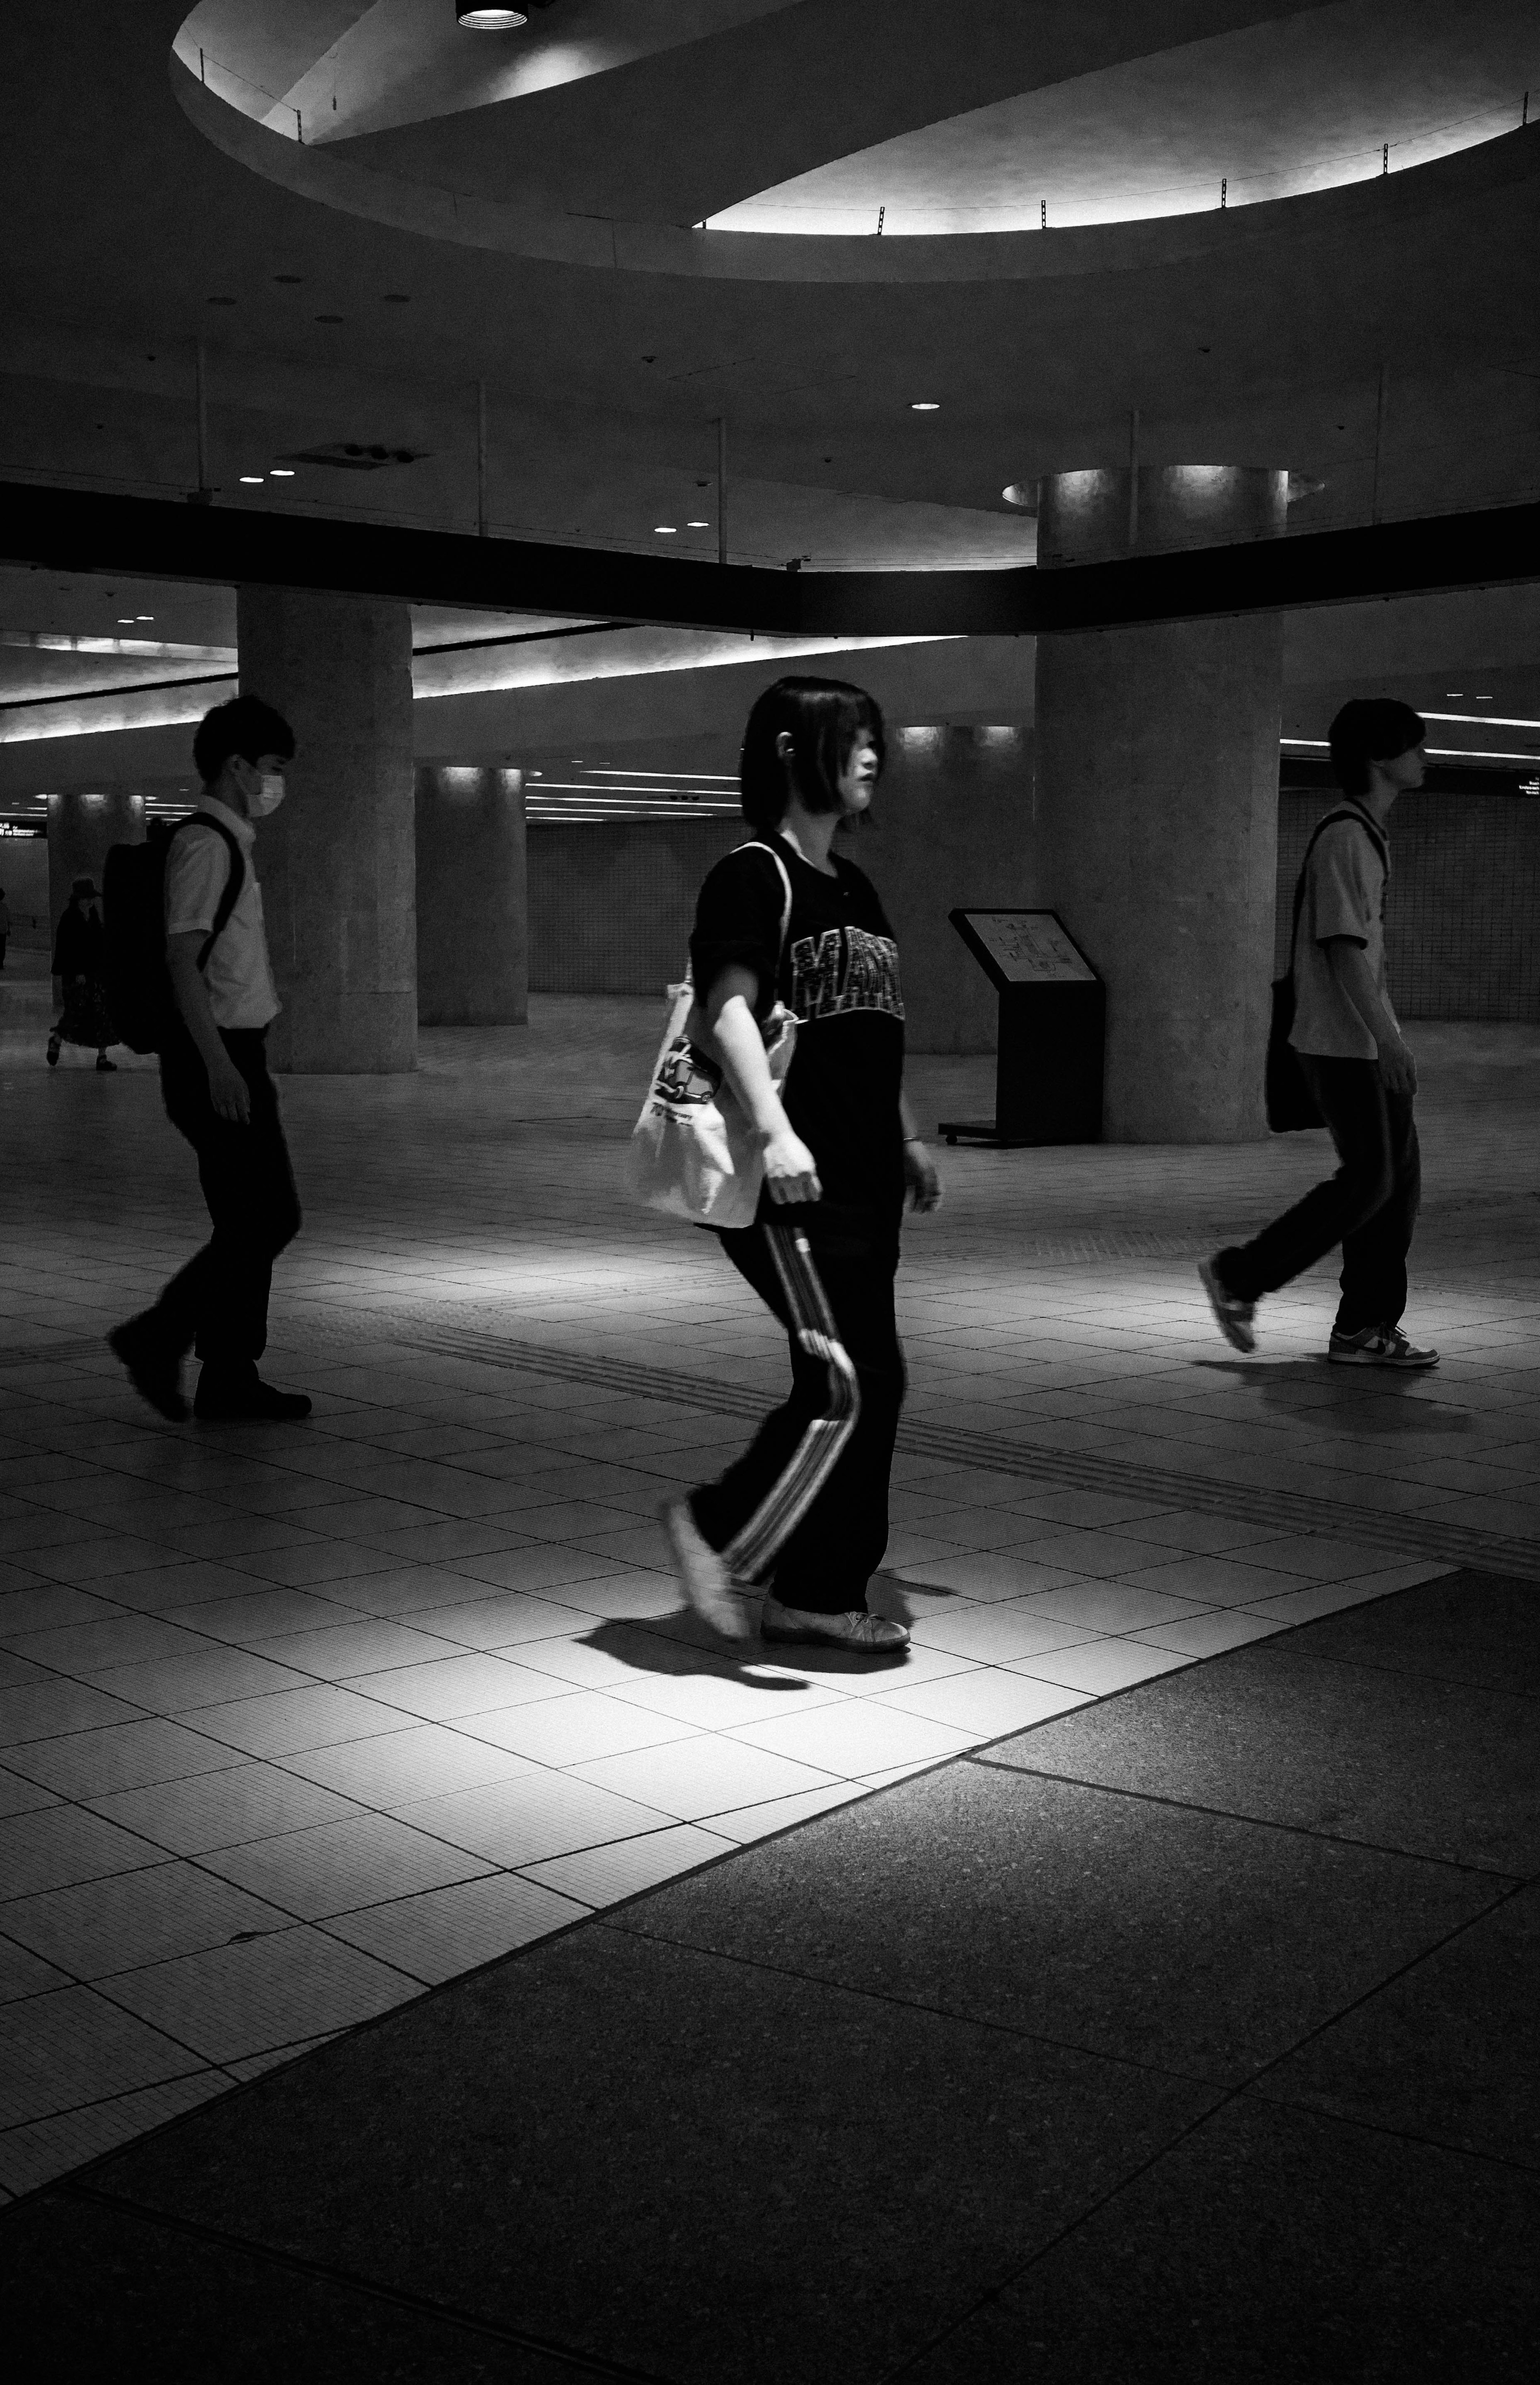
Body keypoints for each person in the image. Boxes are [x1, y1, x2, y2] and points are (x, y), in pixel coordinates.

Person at [660, 675, 942, 1657]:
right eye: (850, 737)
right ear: (789, 750)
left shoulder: (855, 889)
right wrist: (777, 1131)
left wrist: (903, 1132)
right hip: (792, 1188)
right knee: (850, 1382)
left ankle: (816, 1584)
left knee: (863, 1381)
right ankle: (720, 1527)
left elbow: (864, 1032)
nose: (871, 753)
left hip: (863, 1181)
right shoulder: (751, 875)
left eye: (875, 736)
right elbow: (726, 1010)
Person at [1200, 698, 1437, 1369]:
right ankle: (1239, 1276)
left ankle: (1363, 1327)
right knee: (1369, 1181)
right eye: (1415, 746)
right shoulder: (1345, 837)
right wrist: (1388, 1041)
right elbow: (1342, 950)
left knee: (1393, 1187)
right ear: (1380, 758)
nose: (1426, 757)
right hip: (1342, 1045)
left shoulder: (1366, 832)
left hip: (1358, 1040)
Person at [108, 695, 311, 1423]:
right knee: (269, 1217)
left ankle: (229, 1375)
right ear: (237, 765)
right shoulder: (207, 845)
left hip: (230, 1053)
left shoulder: (230, 843)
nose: (277, 784)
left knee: (245, 1219)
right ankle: (157, 1335)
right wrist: (221, 1065)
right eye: (273, 768)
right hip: (215, 1060)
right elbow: (181, 961)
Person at [47, 878, 118, 1071]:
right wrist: (77, 971)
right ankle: (56, 1040)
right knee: (75, 1012)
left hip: (95, 973)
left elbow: (98, 943)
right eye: (86, 898)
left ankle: (102, 1058)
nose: (90, 901)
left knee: (102, 1013)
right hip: (76, 975)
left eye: (91, 898)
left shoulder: (92, 915)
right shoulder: (70, 918)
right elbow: (67, 949)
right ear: (77, 899)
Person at [0, 884, 10, 971]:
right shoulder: (5, 907)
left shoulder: (5, 907)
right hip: (3, 930)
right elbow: (8, 919)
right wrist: (9, 930)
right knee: (2, 947)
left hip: (3, 930)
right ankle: (1, 963)